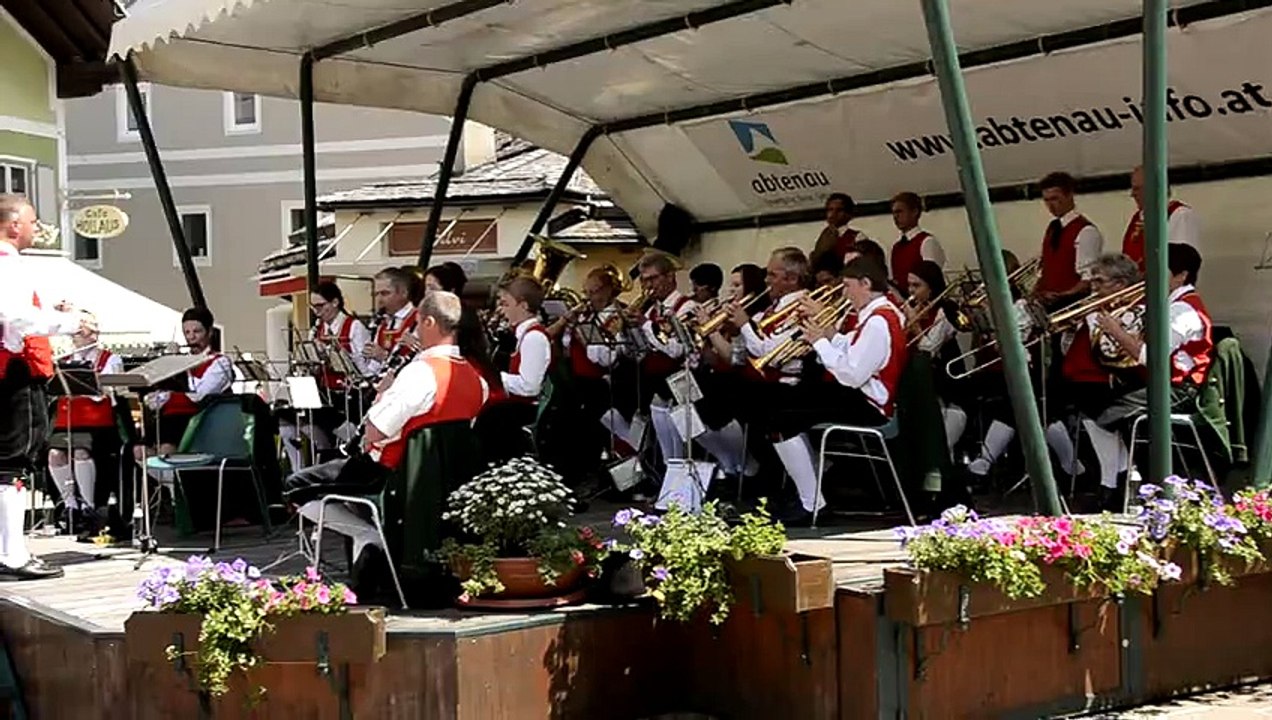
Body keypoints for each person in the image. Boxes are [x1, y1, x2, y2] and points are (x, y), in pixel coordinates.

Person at [283, 291, 488, 592]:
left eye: (417, 322)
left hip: (391, 471)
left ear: (429, 322)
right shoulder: (475, 378)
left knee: (296, 486)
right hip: (443, 477)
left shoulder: (420, 373)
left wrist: (383, 393)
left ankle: (369, 536)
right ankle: (368, 548)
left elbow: (374, 432)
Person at [766, 257, 907, 525]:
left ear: (866, 284)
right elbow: (851, 348)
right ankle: (809, 494)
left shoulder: (878, 321)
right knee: (782, 407)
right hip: (862, 398)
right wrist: (827, 332)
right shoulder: (879, 315)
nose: (844, 293)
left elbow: (852, 375)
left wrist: (819, 341)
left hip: (868, 405)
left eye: (848, 286)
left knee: (780, 419)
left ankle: (811, 503)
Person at [0, 193, 90, 579]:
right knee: (13, 462)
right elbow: (15, 317)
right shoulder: (7, 263)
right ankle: (14, 554)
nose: (37, 228)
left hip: (12, 369)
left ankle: (10, 549)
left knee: (9, 463)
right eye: (33, 221)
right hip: (14, 371)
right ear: (14, 224)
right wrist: (72, 324)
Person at [47, 311, 125, 534]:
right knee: (55, 455)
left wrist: (90, 383)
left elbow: (112, 391)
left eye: (84, 326)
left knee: (81, 452)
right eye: (77, 327)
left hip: (96, 422)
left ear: (95, 331)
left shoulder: (110, 358)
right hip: (68, 420)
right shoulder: (65, 359)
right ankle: (70, 504)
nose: (78, 331)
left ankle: (89, 505)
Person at [136, 307, 234, 459]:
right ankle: (162, 481)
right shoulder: (179, 362)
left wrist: (171, 397)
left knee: (166, 449)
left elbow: (202, 395)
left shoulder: (220, 363)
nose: (191, 338)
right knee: (139, 451)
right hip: (172, 419)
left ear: (210, 332)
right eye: (187, 333)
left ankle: (173, 481)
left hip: (204, 419)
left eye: (197, 332)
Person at [475, 274, 551, 463]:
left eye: (506, 304)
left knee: (490, 420)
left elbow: (530, 387)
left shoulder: (534, 338)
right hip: (516, 406)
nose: (501, 310)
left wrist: (492, 376)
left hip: (525, 410)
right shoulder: (523, 335)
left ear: (523, 306)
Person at [1033, 171, 1104, 310]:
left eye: (1055, 199)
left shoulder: (1086, 231)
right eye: (1046, 200)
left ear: (1070, 195)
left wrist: (1062, 296)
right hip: (1048, 305)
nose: (1050, 206)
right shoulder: (1053, 228)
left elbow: (1088, 280)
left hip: (1069, 306)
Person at [1121, 165, 1200, 270]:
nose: (1133, 194)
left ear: (1156, 188)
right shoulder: (1137, 218)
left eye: (1137, 189)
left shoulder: (1179, 214)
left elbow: (1180, 262)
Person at [363, 267, 419, 376]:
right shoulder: (382, 323)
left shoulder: (419, 319)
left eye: (385, 293)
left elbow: (422, 362)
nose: (379, 300)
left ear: (404, 293)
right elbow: (373, 368)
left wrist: (384, 356)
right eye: (376, 294)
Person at [889, 192, 946, 293]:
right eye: (893, 213)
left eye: (900, 212)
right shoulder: (896, 247)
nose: (895, 217)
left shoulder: (927, 242)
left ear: (915, 212)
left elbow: (932, 278)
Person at [810, 193, 870, 266]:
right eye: (830, 210)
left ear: (849, 214)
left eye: (839, 210)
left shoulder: (858, 237)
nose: (833, 214)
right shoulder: (823, 236)